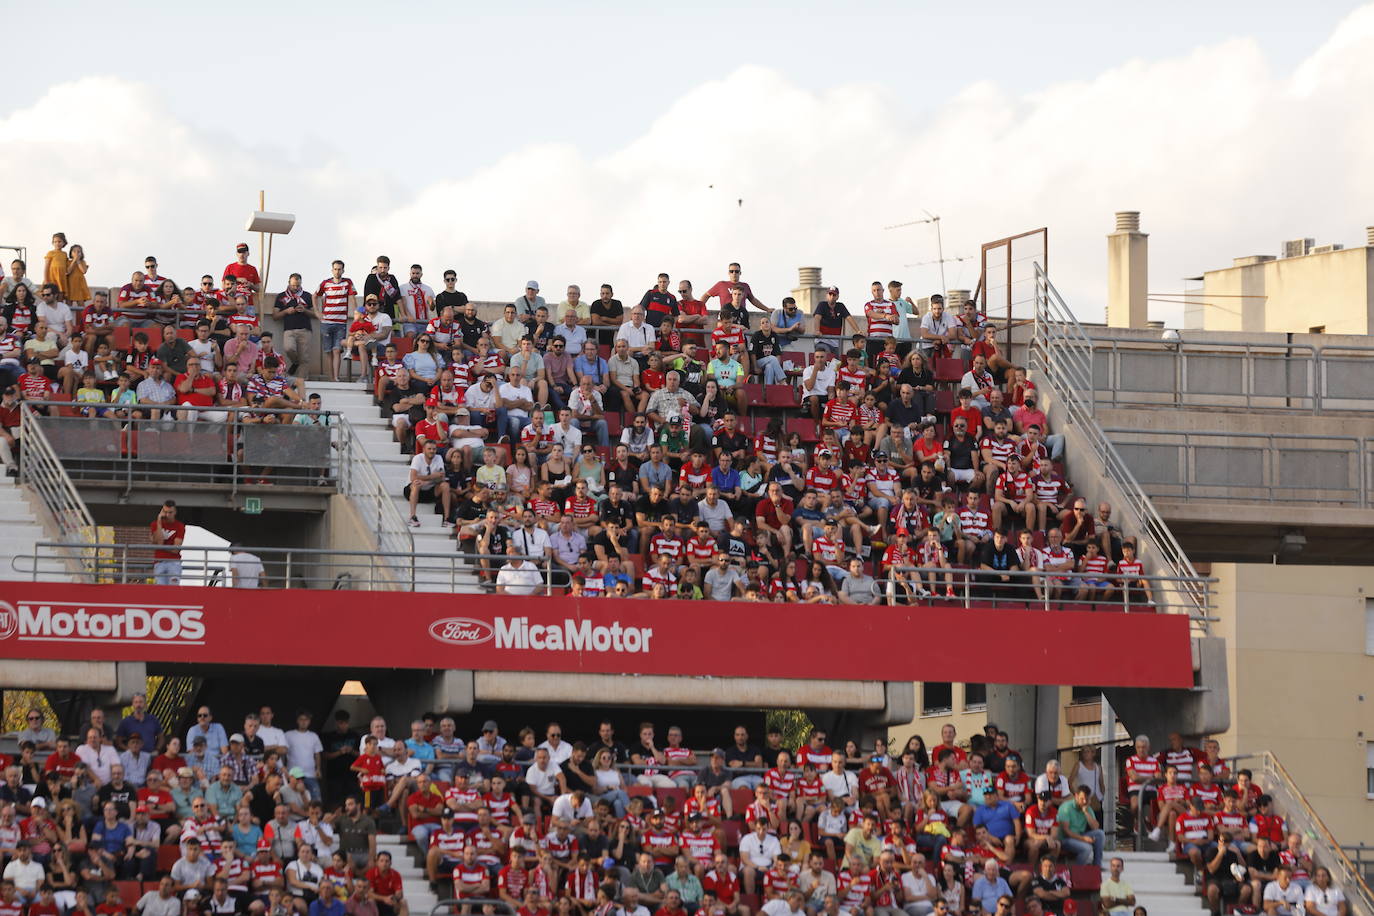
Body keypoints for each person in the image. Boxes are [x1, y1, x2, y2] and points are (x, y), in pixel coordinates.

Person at [1056, 785, 1104, 866]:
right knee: (1087, 848)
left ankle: (1097, 865)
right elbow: (1067, 831)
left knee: (1100, 834)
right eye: (1082, 799)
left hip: (1079, 836)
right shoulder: (1066, 807)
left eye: (1087, 799)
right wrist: (1083, 839)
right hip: (1066, 839)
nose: (1085, 801)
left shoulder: (1087, 808)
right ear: (1076, 796)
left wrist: (1085, 812)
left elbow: (1095, 827)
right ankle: (1077, 870)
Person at [149, 500, 185, 585]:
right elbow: (159, 541)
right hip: (159, 562)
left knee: (173, 591)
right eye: (165, 512)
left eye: (170, 512)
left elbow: (176, 549)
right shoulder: (155, 524)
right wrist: (159, 522)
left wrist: (161, 546)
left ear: (175, 512)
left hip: (174, 563)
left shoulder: (179, 526)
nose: (167, 515)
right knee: (161, 592)